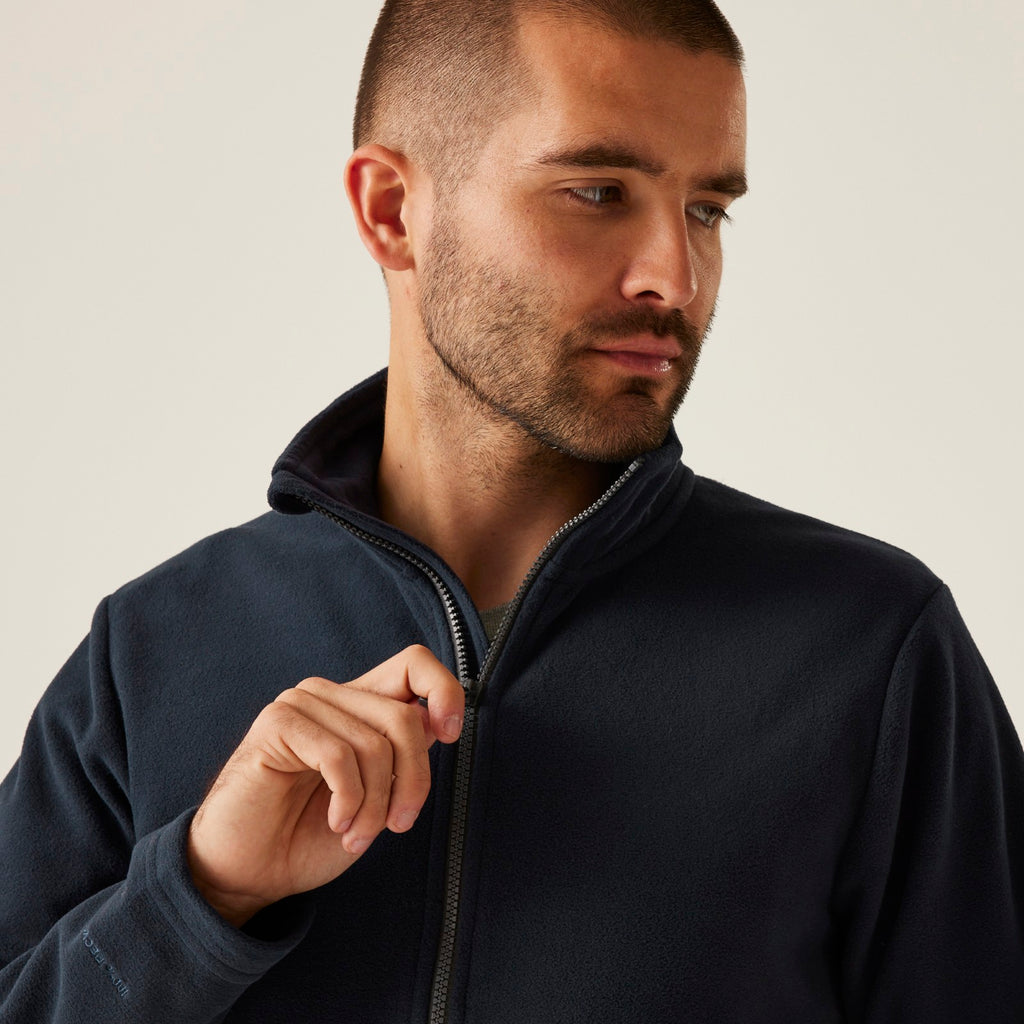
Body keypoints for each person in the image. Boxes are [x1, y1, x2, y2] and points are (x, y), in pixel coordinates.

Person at [1, 0, 1022, 1020]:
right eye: (597, 191)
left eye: (707, 209)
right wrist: (199, 897)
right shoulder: (150, 653)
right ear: (391, 210)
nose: (675, 276)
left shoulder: (871, 655)